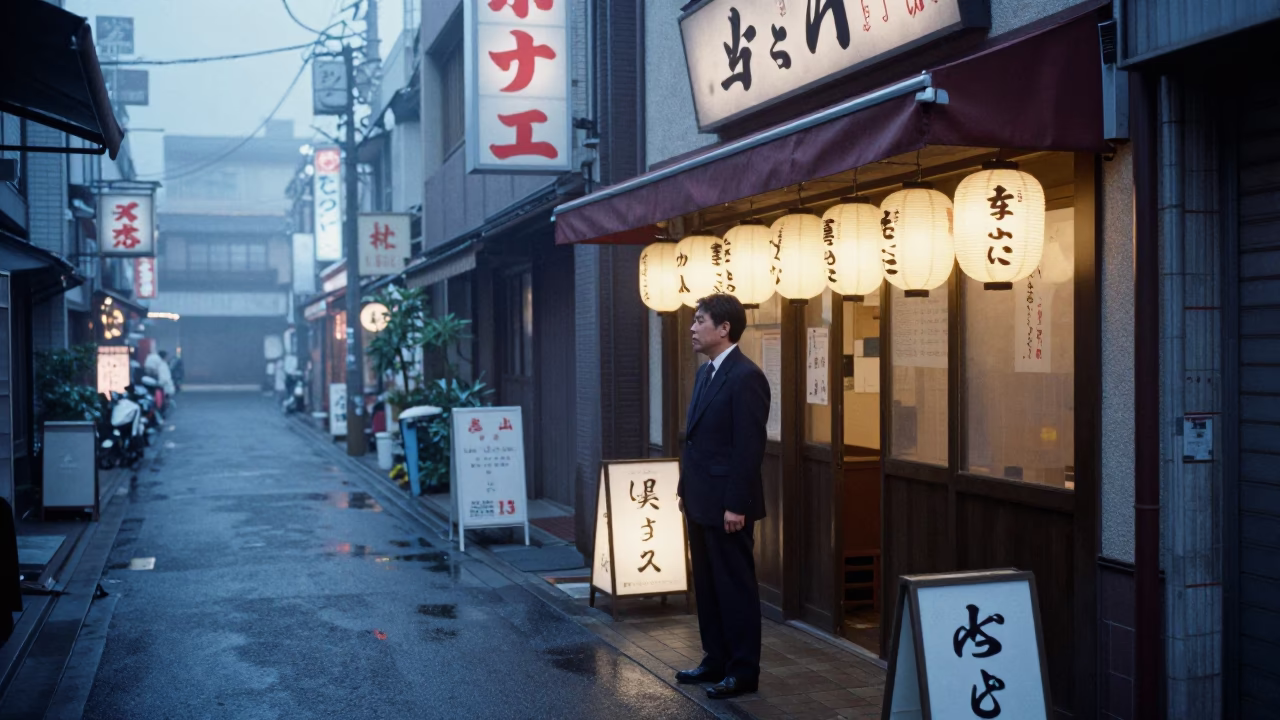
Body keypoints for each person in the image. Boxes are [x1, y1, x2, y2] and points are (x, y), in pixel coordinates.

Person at [675, 293, 770, 700]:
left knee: (735, 587)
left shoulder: (746, 376)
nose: (693, 328)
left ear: (724, 328)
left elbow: (748, 447)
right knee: (709, 586)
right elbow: (696, 440)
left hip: (728, 505)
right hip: (700, 498)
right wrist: (684, 489)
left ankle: (743, 670)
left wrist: (737, 504)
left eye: (700, 320)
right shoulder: (705, 373)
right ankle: (715, 658)